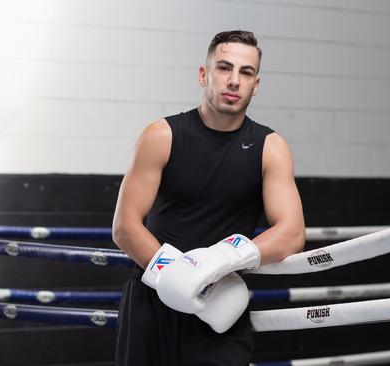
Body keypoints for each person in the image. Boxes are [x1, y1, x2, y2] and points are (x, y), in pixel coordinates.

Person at [112, 30, 306, 366]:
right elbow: (125, 227)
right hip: (153, 302)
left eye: (246, 73)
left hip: (221, 305)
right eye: (224, 68)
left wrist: (218, 262)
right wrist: (181, 279)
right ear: (204, 75)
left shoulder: (270, 148)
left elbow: (292, 233)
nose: (234, 81)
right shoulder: (161, 135)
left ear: (255, 85)